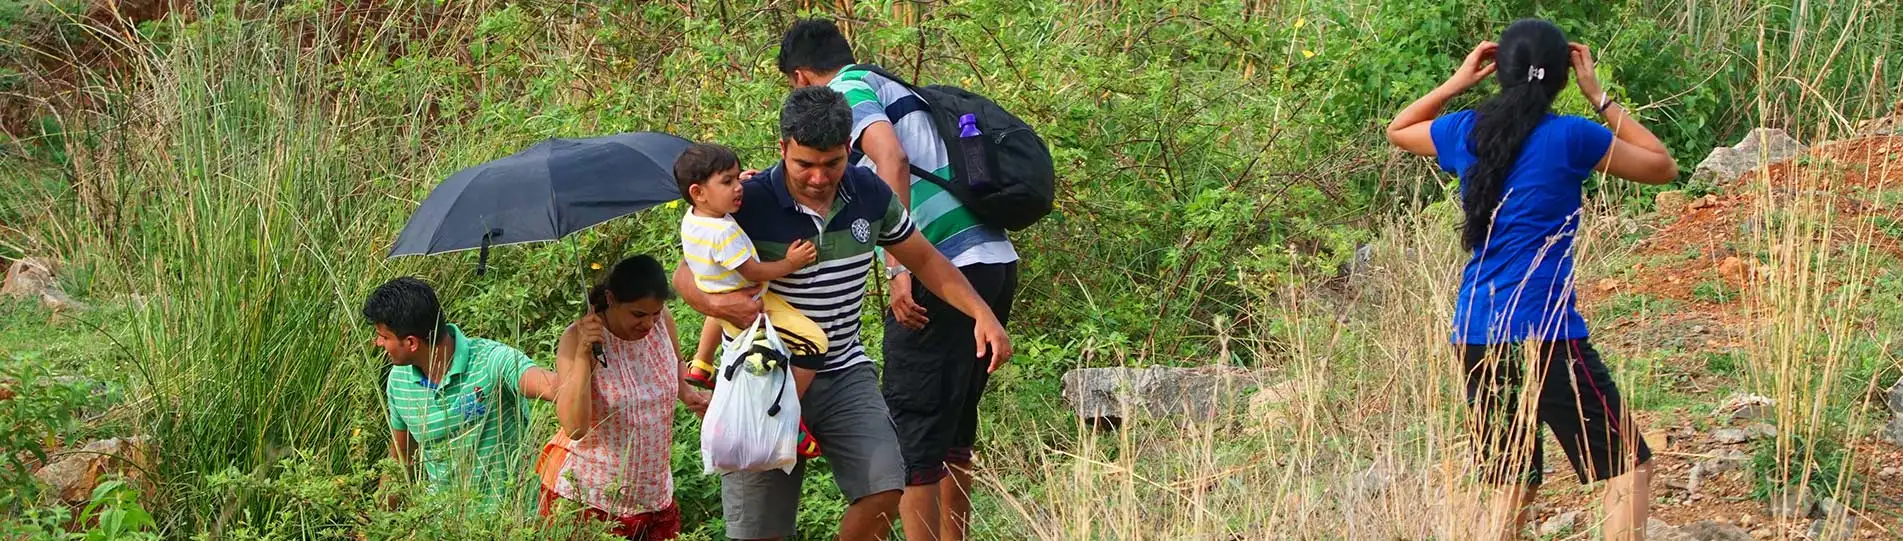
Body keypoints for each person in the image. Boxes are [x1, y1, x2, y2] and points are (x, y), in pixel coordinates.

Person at [673, 86, 1011, 541]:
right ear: (783, 149)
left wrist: (981, 313)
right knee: (760, 533)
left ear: (849, 150)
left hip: (843, 369)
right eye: (804, 164)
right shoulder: (745, 200)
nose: (818, 177)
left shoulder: (869, 193)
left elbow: (926, 260)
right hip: (759, 378)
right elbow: (684, 274)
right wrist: (716, 304)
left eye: (831, 163)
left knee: (887, 486)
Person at [1385, 19, 1677, 541]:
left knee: (1511, 483)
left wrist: (1457, 83)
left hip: (1475, 331)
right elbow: (1662, 166)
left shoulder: (1464, 131)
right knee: (1626, 468)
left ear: (1498, 70)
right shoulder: (1573, 136)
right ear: (1566, 74)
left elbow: (1399, 129)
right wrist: (1600, 97)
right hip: (1546, 333)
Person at [778, 19, 1021, 541]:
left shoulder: (848, 90)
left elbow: (891, 157)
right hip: (993, 258)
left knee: (912, 435)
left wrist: (898, 269)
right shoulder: (895, 86)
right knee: (952, 430)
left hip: (943, 262)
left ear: (801, 77)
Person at [537, 255, 711, 540]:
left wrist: (688, 393)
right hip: (591, 499)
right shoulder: (579, 338)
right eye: (638, 314)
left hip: (654, 496)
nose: (649, 323)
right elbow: (575, 427)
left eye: (655, 313)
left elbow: (675, 362)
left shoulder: (661, 322)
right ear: (611, 298)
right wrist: (583, 355)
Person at [673, 141, 825, 459]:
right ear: (698, 192)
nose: (738, 187)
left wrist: (735, 186)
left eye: (737, 177)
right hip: (751, 303)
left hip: (719, 293)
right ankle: (782, 417)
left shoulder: (694, 218)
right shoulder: (723, 233)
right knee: (814, 343)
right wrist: (791, 263)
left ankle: (701, 363)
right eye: (728, 182)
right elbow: (754, 271)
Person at [362, 276, 558, 504]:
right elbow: (400, 461)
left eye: (384, 337)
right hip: (443, 527)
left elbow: (552, 387)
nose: (378, 343)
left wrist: (581, 353)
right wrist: (379, 524)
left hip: (510, 523)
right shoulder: (398, 381)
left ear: (411, 343)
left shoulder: (493, 361)